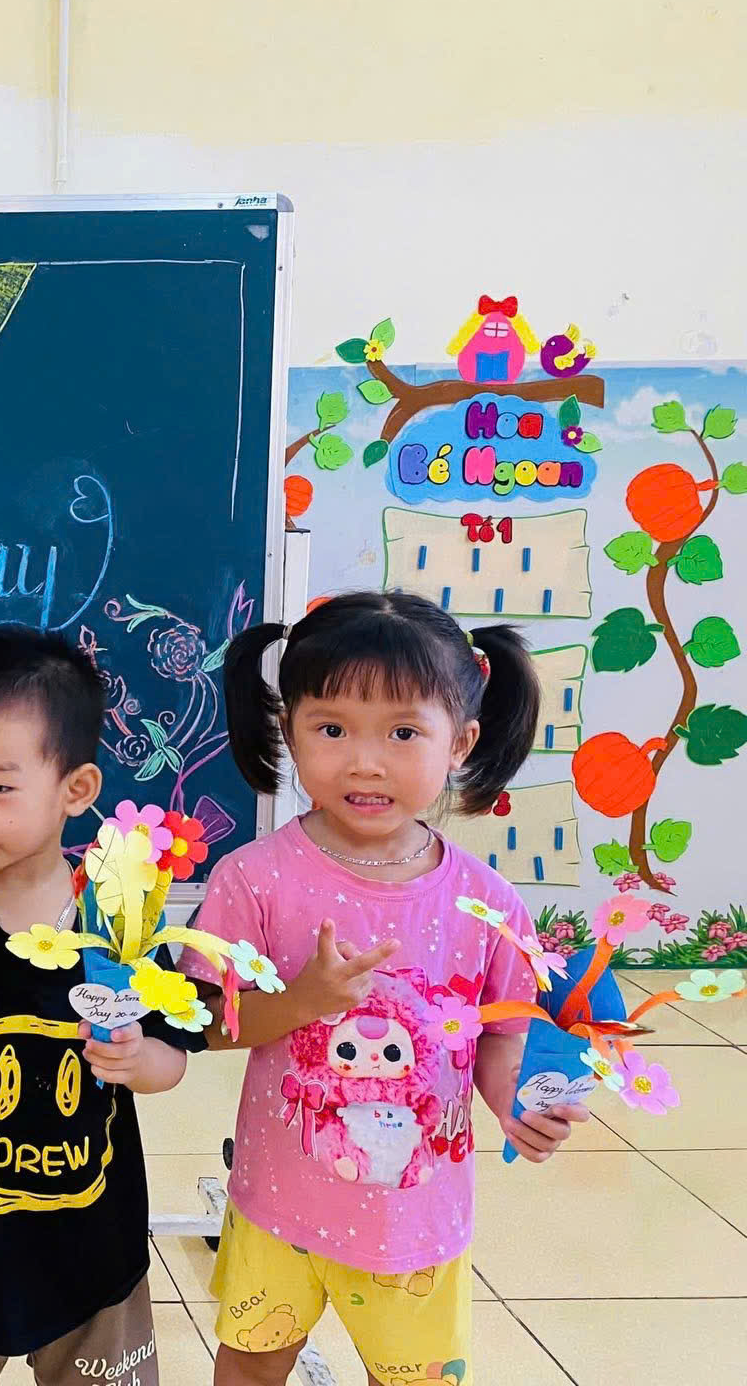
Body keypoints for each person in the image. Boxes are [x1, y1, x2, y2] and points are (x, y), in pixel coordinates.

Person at [182, 591, 584, 1386]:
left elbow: (502, 1033)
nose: (365, 762)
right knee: (252, 1367)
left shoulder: (487, 902)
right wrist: (302, 1003)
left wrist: (518, 1104)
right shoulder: (253, 880)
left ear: (460, 741)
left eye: (403, 733)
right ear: (289, 729)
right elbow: (211, 1025)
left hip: (416, 1222)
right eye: (331, 729)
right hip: (278, 1205)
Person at [0, 626, 197, 1386]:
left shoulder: (120, 912)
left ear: (75, 790)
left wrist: (137, 1059)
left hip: (95, 1251)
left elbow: (171, 1061)